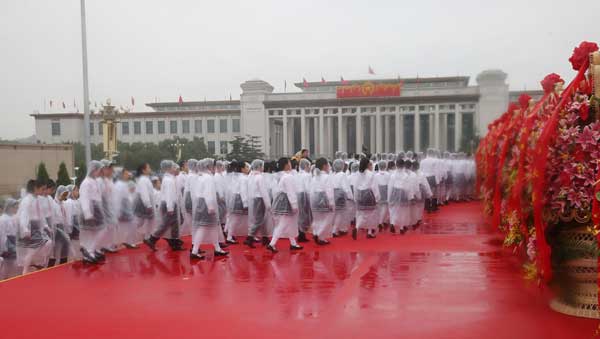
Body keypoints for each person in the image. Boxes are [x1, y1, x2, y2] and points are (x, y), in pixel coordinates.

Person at [190, 158, 228, 259]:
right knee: (204, 227)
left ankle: (217, 248)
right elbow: (208, 193)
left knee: (212, 226)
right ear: (208, 166)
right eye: (212, 165)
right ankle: (194, 251)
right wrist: (211, 207)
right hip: (207, 204)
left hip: (200, 203)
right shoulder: (208, 178)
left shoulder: (200, 177)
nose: (213, 167)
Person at [144, 160, 185, 252]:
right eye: (173, 167)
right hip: (169, 204)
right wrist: (170, 207)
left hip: (170, 204)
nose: (175, 169)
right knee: (165, 224)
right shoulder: (169, 180)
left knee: (174, 224)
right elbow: (169, 195)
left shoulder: (169, 179)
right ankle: (152, 239)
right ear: (168, 168)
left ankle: (174, 241)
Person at [17, 180, 54, 272]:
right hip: (30, 226)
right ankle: (26, 270)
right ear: (35, 189)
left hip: (37, 226)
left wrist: (45, 226)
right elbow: (23, 215)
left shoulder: (38, 199)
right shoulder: (27, 200)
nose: (44, 191)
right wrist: (25, 228)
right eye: (42, 189)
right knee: (32, 250)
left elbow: (41, 214)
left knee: (48, 243)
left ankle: (40, 264)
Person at [268, 157, 303, 253]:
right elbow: (290, 192)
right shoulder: (288, 177)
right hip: (286, 202)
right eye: (289, 163)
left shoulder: (284, 176)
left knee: (288, 222)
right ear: (287, 165)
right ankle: (272, 243)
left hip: (283, 201)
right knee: (284, 222)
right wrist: (294, 205)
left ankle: (293, 243)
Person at [79, 161, 107, 264]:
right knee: (100, 230)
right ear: (94, 170)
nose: (100, 172)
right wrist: (87, 213)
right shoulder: (86, 183)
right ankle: (90, 251)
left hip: (96, 210)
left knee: (95, 231)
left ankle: (90, 252)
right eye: (99, 170)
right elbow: (84, 198)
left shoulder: (94, 181)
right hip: (91, 210)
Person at [245, 159, 272, 248]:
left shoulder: (251, 175)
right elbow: (263, 191)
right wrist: (268, 204)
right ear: (259, 166)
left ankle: (265, 237)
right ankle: (250, 237)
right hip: (260, 199)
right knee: (259, 220)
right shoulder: (259, 177)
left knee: (261, 220)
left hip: (253, 199)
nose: (263, 167)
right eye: (262, 166)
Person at [353, 157, 380, 239]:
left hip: (360, 194)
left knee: (361, 213)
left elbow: (355, 186)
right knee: (371, 214)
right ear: (368, 164)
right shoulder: (371, 174)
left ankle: (357, 228)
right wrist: (377, 198)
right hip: (369, 194)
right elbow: (374, 187)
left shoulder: (358, 174)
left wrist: (356, 197)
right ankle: (369, 232)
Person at [310, 158, 335, 245]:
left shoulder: (314, 177)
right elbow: (329, 191)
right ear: (324, 166)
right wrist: (331, 203)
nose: (329, 167)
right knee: (327, 218)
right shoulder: (327, 177)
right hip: (324, 199)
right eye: (328, 165)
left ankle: (320, 237)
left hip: (314, 199)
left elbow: (311, 190)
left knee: (317, 219)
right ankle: (318, 234)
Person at [225, 161, 249, 244]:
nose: (248, 169)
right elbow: (243, 190)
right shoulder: (243, 178)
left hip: (238, 198)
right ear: (242, 169)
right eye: (246, 167)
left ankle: (229, 234)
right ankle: (229, 237)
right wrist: (245, 202)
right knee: (235, 219)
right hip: (240, 199)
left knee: (235, 219)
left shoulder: (240, 177)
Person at [114, 169, 138, 249]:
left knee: (130, 225)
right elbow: (118, 199)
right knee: (118, 227)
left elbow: (128, 197)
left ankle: (127, 241)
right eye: (126, 173)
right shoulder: (119, 185)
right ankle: (115, 243)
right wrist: (117, 212)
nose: (128, 174)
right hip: (122, 209)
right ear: (121, 175)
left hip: (125, 209)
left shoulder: (124, 184)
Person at [99, 160, 118, 253]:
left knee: (111, 226)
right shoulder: (99, 181)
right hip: (102, 209)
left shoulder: (108, 181)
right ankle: (102, 246)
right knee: (104, 228)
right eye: (109, 168)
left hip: (110, 208)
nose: (111, 170)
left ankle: (107, 245)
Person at [330, 159, 354, 237]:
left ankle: (335, 229)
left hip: (332, 194)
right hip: (340, 195)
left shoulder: (332, 174)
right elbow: (345, 187)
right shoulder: (342, 174)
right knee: (340, 214)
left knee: (334, 213)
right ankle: (335, 230)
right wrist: (350, 196)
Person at [134, 163, 156, 243]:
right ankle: (146, 237)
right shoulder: (143, 180)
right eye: (148, 167)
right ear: (143, 170)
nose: (150, 169)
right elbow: (144, 193)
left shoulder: (145, 179)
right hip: (144, 203)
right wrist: (148, 205)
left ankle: (147, 237)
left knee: (145, 220)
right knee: (141, 221)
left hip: (146, 202)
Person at [0, 199, 20, 279]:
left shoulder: (13, 218)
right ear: (9, 208)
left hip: (13, 242)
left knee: (11, 266)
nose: (16, 209)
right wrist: (4, 248)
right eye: (15, 208)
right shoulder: (3, 219)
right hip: (7, 244)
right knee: (7, 265)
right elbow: (2, 235)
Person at [296, 158, 313, 242]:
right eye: (309, 166)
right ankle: (302, 234)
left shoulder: (297, 174)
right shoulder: (307, 175)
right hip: (304, 196)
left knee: (300, 215)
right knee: (305, 215)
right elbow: (308, 187)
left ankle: (300, 233)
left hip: (298, 195)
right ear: (306, 166)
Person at [64, 184, 82, 260]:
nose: (78, 192)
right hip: (72, 226)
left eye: (78, 190)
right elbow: (68, 216)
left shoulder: (77, 201)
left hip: (78, 224)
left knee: (78, 244)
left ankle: (78, 257)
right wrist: (69, 228)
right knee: (73, 244)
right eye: (76, 190)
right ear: (71, 192)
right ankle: (72, 259)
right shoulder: (69, 202)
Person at [374, 160, 391, 232]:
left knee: (379, 207)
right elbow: (390, 184)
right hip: (386, 190)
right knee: (385, 207)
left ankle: (380, 221)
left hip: (378, 190)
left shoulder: (375, 175)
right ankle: (381, 221)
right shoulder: (388, 174)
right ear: (385, 166)